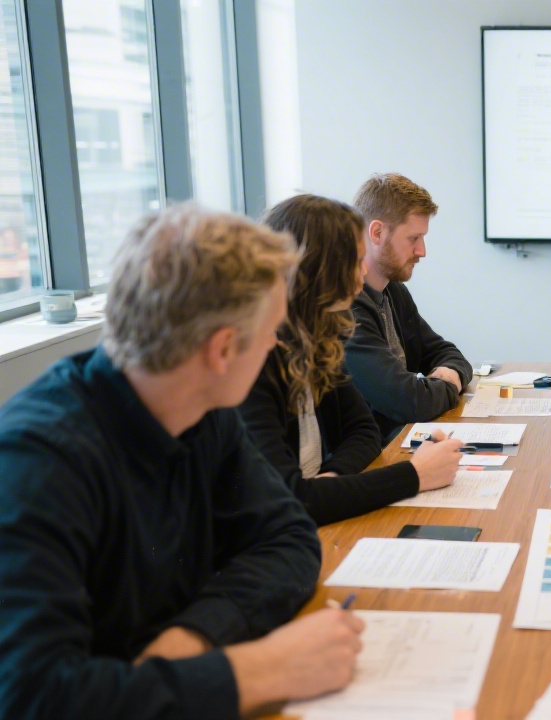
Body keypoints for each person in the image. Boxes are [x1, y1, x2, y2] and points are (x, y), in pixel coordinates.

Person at [0, 205, 365, 718]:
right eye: (271, 332)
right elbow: (36, 699)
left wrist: (194, 636)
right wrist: (261, 670)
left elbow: (289, 537)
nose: (273, 345)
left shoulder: (201, 411)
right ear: (221, 351)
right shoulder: (36, 464)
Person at [239, 194, 463, 526]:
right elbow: (290, 500)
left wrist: (328, 484)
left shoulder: (317, 339)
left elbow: (363, 431)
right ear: (318, 269)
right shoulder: (253, 364)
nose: (362, 274)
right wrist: (415, 474)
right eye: (355, 261)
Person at [346, 173, 473, 440]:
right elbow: (409, 401)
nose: (422, 251)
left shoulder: (393, 291)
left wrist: (448, 374)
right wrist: (448, 385)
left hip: (400, 442)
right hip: (373, 457)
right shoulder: (346, 308)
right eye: (413, 238)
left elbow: (446, 352)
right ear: (377, 232)